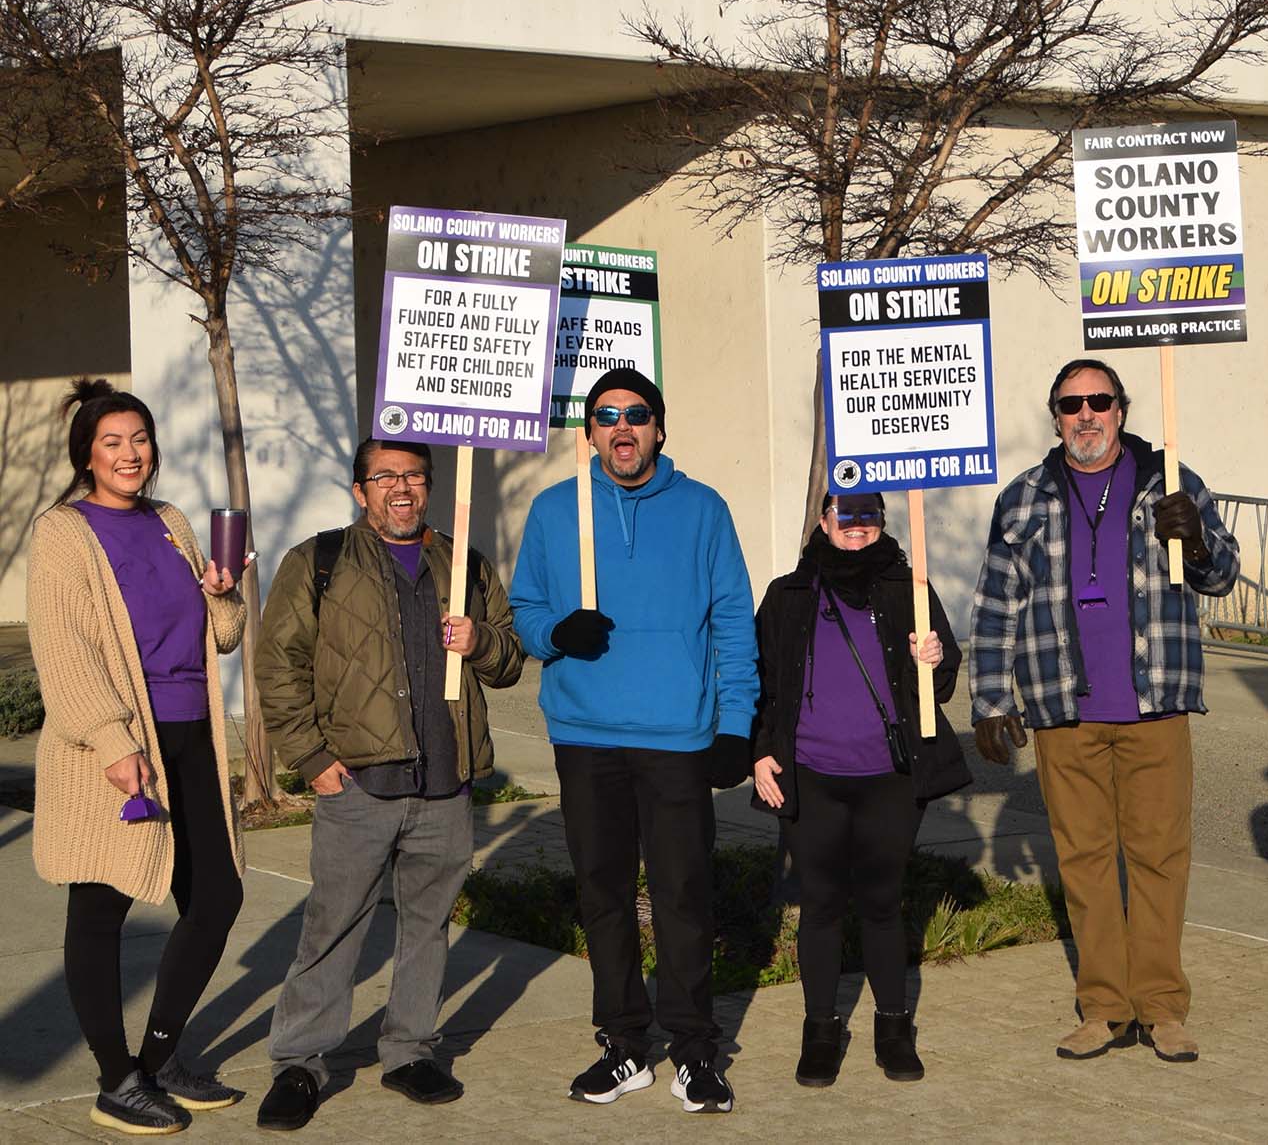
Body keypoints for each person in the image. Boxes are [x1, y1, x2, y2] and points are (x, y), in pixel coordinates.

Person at [967, 358, 1239, 1064]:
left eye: (1098, 400)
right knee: (1084, 862)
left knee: (1159, 859)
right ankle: (1104, 1007)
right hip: (1064, 709)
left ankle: (1161, 1008)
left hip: (1155, 704)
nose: (1085, 414)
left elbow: (1224, 575)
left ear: (1121, 408)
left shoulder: (1173, 482)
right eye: (1070, 403)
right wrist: (991, 698)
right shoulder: (1023, 498)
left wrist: (1199, 540)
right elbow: (996, 606)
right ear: (1054, 415)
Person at [254, 438, 523, 1131]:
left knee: (428, 928)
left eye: (412, 476)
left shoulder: (463, 563)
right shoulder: (319, 561)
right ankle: (300, 1062)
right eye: (385, 477)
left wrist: (481, 643)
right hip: (358, 787)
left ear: (429, 485)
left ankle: (409, 1049)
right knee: (333, 928)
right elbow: (278, 663)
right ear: (359, 489)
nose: (400, 488)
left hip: (445, 782)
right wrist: (311, 758)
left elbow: (509, 656)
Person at [509, 367, 758, 1114]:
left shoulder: (704, 509)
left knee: (683, 893)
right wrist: (556, 632)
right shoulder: (556, 510)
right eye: (608, 415)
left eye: (638, 414)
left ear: (659, 428)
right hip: (586, 733)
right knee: (604, 894)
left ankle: (693, 1048)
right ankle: (624, 1045)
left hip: (677, 734)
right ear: (589, 431)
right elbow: (524, 609)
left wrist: (734, 725)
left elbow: (734, 622)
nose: (623, 427)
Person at [27, 378, 248, 1135]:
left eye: (139, 439)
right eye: (113, 441)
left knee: (216, 897)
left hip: (189, 737)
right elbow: (63, 650)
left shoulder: (172, 521)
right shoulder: (63, 531)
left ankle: (156, 1061)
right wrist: (116, 742)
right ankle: (113, 1076)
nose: (130, 453)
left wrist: (223, 593)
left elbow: (219, 636)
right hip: (115, 746)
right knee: (102, 906)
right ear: (86, 454)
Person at [749, 490, 972, 1088]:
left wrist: (935, 655)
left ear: (882, 523)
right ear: (824, 522)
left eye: (867, 516)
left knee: (880, 902)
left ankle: (893, 1028)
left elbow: (943, 679)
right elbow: (760, 680)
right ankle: (821, 1030)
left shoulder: (911, 590)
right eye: (843, 516)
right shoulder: (788, 595)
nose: (855, 527)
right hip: (811, 774)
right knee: (819, 905)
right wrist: (760, 752)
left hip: (889, 779)